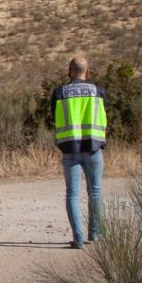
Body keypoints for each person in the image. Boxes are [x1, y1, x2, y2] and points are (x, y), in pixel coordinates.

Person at [51, 57, 108, 249]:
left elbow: (54, 118)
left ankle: (78, 239)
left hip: (70, 150)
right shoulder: (98, 91)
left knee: (72, 194)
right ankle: (96, 234)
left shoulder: (60, 93)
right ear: (88, 72)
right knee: (96, 192)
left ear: (69, 71)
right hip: (93, 149)